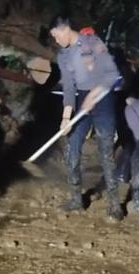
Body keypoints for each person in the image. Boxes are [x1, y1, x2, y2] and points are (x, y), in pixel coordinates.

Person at [51, 15, 123, 221]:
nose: (56, 40)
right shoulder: (63, 56)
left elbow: (111, 74)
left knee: (106, 151)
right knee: (71, 147)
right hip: (82, 98)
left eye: (56, 36)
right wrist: (66, 117)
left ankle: (114, 205)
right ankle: (76, 200)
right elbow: (68, 87)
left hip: (103, 97)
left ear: (64, 29)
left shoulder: (94, 42)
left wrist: (93, 95)